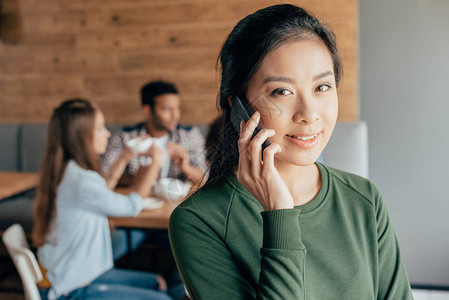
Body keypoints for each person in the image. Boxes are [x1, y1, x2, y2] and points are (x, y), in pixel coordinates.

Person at [169, 4, 413, 299]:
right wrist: (279, 215)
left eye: (322, 87)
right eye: (281, 92)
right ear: (239, 110)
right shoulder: (199, 220)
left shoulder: (364, 199)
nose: (309, 114)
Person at [32, 99, 174, 300]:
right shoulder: (82, 182)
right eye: (100, 128)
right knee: (164, 298)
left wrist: (125, 156)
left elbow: (103, 189)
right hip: (70, 289)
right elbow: (132, 205)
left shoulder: (69, 172)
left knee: (157, 282)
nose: (107, 133)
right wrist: (155, 163)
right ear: (81, 136)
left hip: (75, 275)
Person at [101, 80, 207, 187]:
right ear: (148, 111)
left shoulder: (190, 135)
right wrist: (140, 176)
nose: (175, 115)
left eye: (177, 108)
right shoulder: (125, 137)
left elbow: (206, 180)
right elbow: (104, 176)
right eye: (167, 109)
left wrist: (186, 167)